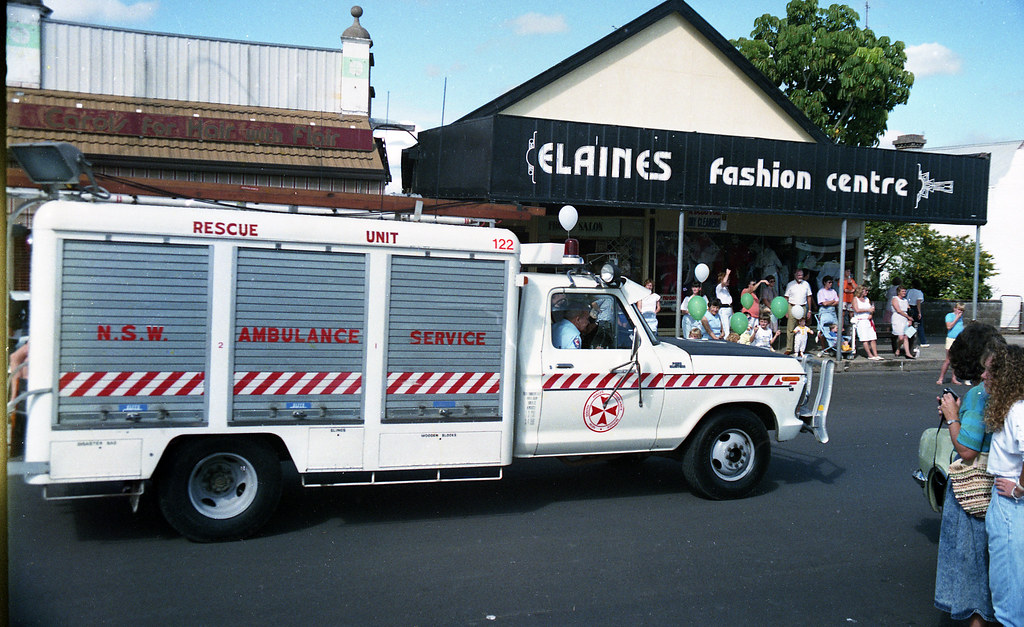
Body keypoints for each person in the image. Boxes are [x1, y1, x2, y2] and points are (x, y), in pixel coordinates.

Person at [934, 323, 1005, 625]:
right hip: (997, 487)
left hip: (971, 491)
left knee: (970, 568)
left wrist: (952, 416)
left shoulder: (978, 394)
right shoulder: (1003, 389)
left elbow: (967, 450)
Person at [980, 343, 1024, 626]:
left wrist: (1020, 488)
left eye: (989, 371)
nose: (983, 375)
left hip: (1012, 505)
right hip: (1008, 504)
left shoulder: (1017, 411)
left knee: (1009, 600)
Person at [784, 269, 813, 354]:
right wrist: (786, 311)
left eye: (801, 275)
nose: (800, 277)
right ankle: (789, 348)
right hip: (792, 306)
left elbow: (809, 297)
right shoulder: (790, 284)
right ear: (795, 275)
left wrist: (810, 310)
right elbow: (786, 297)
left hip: (802, 307)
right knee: (790, 329)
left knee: (801, 329)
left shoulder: (806, 284)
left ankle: (801, 350)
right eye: (798, 275)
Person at [938, 303, 966, 385]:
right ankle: (941, 378)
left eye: (961, 310)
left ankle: (954, 378)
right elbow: (949, 327)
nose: (960, 311)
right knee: (948, 360)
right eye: (958, 309)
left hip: (959, 339)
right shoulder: (950, 316)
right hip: (951, 339)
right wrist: (957, 318)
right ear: (955, 309)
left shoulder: (961, 318)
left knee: (956, 360)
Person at [852, 286, 881, 360]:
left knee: (873, 338)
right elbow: (857, 309)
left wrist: (871, 314)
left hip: (869, 320)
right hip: (861, 320)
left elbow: (871, 309)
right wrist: (867, 309)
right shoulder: (855, 299)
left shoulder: (867, 299)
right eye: (865, 291)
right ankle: (870, 355)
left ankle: (875, 354)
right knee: (865, 338)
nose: (867, 292)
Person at [890, 285, 915, 359]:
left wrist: (910, 319)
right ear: (899, 292)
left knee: (906, 336)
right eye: (903, 291)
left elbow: (910, 311)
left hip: (905, 319)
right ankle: (898, 348)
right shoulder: (895, 299)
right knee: (901, 337)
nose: (904, 293)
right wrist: (908, 317)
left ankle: (907, 353)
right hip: (898, 318)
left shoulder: (905, 300)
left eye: (905, 291)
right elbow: (898, 310)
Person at [816, 276, 840, 342]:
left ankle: (833, 345)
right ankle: (824, 348)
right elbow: (824, 303)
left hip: (832, 311)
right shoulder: (821, 292)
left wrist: (829, 302)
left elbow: (837, 302)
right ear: (824, 283)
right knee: (823, 329)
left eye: (831, 282)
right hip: (824, 311)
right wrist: (832, 301)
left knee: (835, 328)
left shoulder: (833, 291)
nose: (830, 284)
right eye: (829, 282)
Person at [907, 279, 929, 347]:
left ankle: (908, 339)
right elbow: (918, 302)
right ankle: (923, 341)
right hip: (915, 308)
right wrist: (919, 312)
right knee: (919, 325)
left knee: (910, 324)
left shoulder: (908, 291)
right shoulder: (919, 292)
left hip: (909, 308)